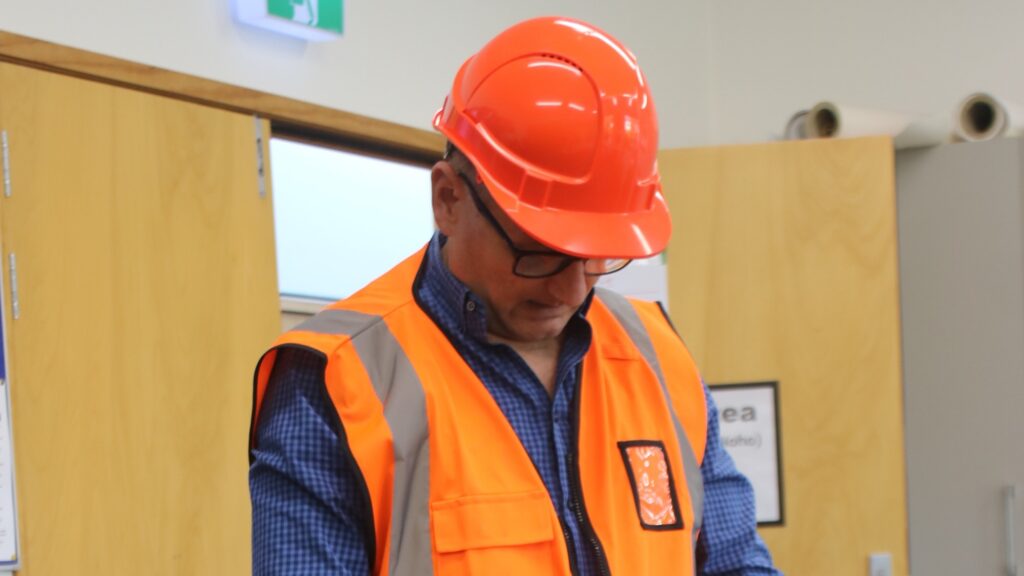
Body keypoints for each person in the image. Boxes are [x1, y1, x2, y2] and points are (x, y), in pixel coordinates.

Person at [249, 15, 781, 576]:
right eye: (541, 251)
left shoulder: (658, 357)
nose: (572, 288)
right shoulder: (337, 382)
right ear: (449, 198)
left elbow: (735, 563)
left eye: (597, 255)